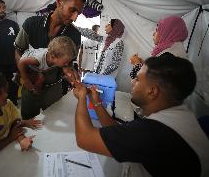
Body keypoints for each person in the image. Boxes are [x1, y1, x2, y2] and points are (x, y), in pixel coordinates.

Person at [73, 53, 209, 177]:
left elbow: (84, 139)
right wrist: (96, 102)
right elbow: (120, 133)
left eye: (137, 79)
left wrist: (81, 98)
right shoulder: (180, 116)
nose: (132, 82)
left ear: (152, 91)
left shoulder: (155, 132)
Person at [14, 0, 86, 118]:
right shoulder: (31, 24)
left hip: (54, 89)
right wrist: (25, 79)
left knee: (53, 121)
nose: (75, 18)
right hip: (30, 85)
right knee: (29, 123)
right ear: (59, 2)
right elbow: (18, 51)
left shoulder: (75, 35)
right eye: (72, 10)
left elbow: (67, 64)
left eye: (78, 13)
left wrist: (70, 73)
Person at [19, 36, 76, 119]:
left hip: (40, 69)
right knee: (36, 85)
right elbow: (21, 62)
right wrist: (26, 79)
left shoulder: (54, 58)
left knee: (41, 79)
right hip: (28, 65)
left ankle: (37, 90)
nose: (66, 64)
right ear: (53, 57)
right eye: (65, 62)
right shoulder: (37, 59)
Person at [129, 15, 188, 79]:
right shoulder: (174, 49)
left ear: (166, 32)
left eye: (157, 30)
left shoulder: (170, 54)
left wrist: (137, 63)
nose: (153, 33)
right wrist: (145, 65)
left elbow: (150, 82)